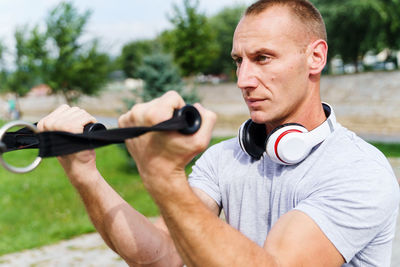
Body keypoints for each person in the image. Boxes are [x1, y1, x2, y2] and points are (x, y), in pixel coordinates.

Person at [38, 0, 399, 266]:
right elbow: (161, 255)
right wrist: (84, 172)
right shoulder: (225, 157)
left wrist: (162, 175)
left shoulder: (359, 171)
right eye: (238, 61)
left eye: (263, 58)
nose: (243, 80)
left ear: (315, 58)